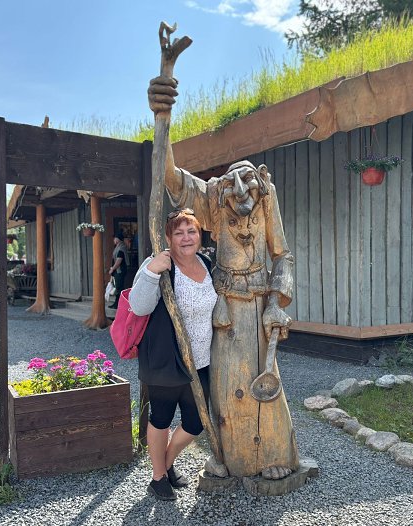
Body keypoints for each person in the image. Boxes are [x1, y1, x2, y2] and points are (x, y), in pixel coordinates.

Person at [148, 75, 299, 481]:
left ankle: (275, 455)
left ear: (260, 181)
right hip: (225, 307)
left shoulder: (266, 199)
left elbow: (283, 256)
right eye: (232, 183)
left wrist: (276, 303)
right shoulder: (214, 199)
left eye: (247, 180)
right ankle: (228, 457)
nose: (240, 189)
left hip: (260, 306)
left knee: (267, 383)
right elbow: (172, 178)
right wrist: (163, 117)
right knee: (226, 388)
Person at [129, 210, 217, 501]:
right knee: (162, 418)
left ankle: (165, 465)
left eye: (191, 231)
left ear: (199, 235)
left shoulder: (206, 263)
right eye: (178, 233)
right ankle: (158, 477)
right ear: (168, 237)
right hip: (165, 359)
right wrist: (152, 270)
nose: (186, 238)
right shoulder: (159, 264)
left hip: (201, 361)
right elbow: (139, 307)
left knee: (196, 422)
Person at [108, 232, 129, 309]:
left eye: (114, 238)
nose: (113, 240)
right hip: (117, 271)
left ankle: (118, 304)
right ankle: (116, 303)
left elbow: (118, 261)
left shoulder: (121, 248)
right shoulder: (118, 246)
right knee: (118, 287)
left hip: (120, 270)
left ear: (117, 239)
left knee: (119, 288)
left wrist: (112, 269)